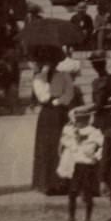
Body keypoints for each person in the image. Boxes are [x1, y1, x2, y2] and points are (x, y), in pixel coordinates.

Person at [32, 54, 77, 195]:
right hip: (47, 115)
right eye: (47, 62)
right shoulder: (39, 78)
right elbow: (42, 96)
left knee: (62, 145)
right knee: (47, 147)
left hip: (60, 114)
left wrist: (58, 101)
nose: (50, 64)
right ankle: (47, 183)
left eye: (52, 61)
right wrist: (44, 75)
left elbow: (69, 93)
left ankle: (62, 183)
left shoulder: (64, 76)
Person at [57, 104, 103, 221]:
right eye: (77, 120)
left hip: (87, 166)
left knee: (87, 193)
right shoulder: (71, 131)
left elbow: (103, 147)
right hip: (75, 165)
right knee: (72, 192)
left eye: (82, 120)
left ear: (88, 119)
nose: (79, 122)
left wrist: (96, 155)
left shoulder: (94, 132)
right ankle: (71, 217)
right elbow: (64, 143)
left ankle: (87, 219)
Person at [89, 51, 111, 131]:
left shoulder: (97, 82)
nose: (93, 66)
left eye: (94, 64)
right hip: (110, 116)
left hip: (103, 118)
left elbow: (99, 103)